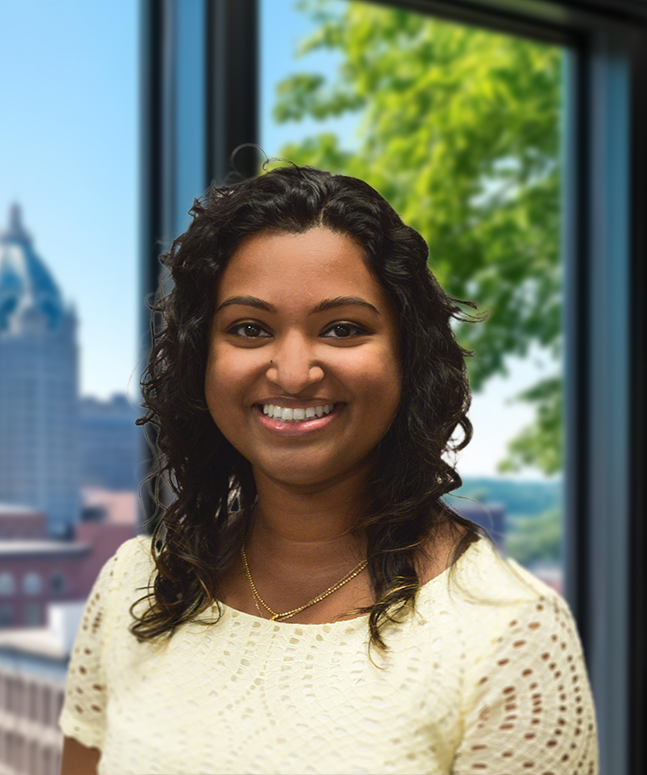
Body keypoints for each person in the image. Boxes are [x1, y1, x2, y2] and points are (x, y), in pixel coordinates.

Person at [59, 165, 597, 775]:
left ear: (408, 356)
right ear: (201, 359)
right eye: (249, 328)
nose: (292, 372)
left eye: (342, 329)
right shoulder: (136, 585)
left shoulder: (508, 635)